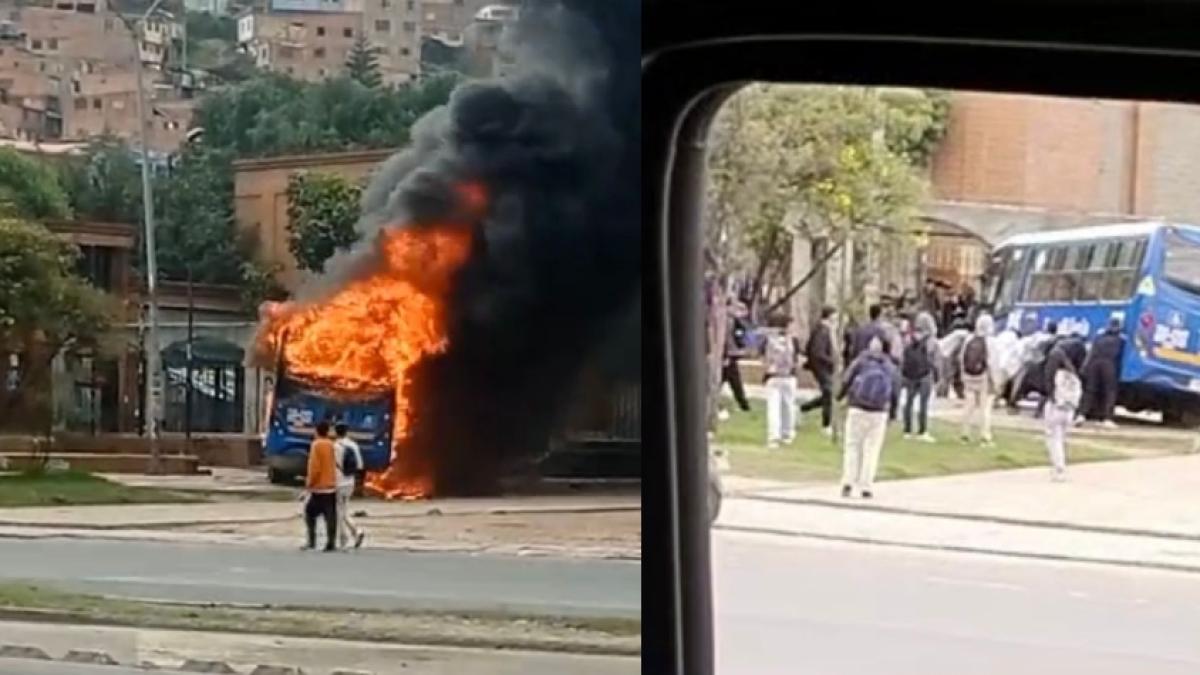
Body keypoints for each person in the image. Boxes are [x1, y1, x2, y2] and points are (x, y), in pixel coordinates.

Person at [838, 336, 896, 499]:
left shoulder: (861, 361)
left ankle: (847, 481)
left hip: (857, 407)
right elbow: (895, 390)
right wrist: (893, 412)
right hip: (879, 411)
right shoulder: (889, 366)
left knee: (852, 446)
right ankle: (866, 486)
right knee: (872, 449)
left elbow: (847, 379)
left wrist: (840, 396)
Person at [1043, 340, 1086, 481]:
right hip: (1069, 410)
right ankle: (1061, 465)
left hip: (1056, 406)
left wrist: (1052, 398)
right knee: (1062, 438)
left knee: (1052, 438)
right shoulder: (1075, 376)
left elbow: (1049, 385)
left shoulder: (1058, 372)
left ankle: (1058, 468)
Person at [960, 313, 998, 446]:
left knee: (968, 406)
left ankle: (965, 433)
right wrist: (995, 381)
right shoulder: (990, 342)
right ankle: (985, 436)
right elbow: (992, 362)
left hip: (969, 376)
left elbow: (961, 358)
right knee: (985, 408)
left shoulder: (969, 339)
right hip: (984, 377)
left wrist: (963, 375)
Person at [761, 316, 799, 449]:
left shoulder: (768, 341)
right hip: (789, 376)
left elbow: (763, 357)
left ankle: (773, 437)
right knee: (788, 406)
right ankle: (787, 433)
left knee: (773, 407)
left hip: (773, 375)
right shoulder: (793, 341)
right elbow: (796, 358)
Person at [902, 312, 939, 442]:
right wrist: (937, 375)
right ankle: (922, 431)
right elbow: (934, 360)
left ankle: (907, 430)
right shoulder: (931, 341)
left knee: (909, 402)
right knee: (923, 403)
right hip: (925, 374)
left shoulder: (909, 338)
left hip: (910, 374)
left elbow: (904, 356)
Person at [1082, 318, 1125, 428]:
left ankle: (1081, 414)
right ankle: (1107, 418)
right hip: (1109, 365)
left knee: (1090, 390)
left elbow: (1091, 352)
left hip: (1094, 364)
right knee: (1110, 392)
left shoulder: (1099, 338)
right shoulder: (1119, 340)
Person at [800, 306, 837, 435]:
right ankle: (826, 424)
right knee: (829, 393)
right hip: (821, 366)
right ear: (830, 316)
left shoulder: (825, 330)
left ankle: (804, 408)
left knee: (829, 394)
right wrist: (831, 361)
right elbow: (817, 352)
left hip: (823, 366)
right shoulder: (822, 331)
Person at [303, 421, 339, 552]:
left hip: (319, 487)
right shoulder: (331, 445)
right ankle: (331, 542)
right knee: (330, 515)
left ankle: (311, 541)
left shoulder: (316, 445)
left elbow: (315, 467)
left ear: (316, 431)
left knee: (309, 513)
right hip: (331, 485)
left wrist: (309, 483)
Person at [333, 423, 366, 550]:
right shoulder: (353, 445)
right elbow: (360, 465)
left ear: (336, 432)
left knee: (339, 511)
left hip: (337, 481)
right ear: (346, 432)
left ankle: (347, 537)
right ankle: (354, 533)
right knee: (343, 509)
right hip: (350, 482)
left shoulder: (334, 446)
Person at [721, 313, 752, 413]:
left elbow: (741, 331)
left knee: (734, 381)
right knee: (733, 381)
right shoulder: (723, 319)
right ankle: (743, 404)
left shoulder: (733, 320)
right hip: (725, 354)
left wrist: (738, 338)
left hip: (730, 353)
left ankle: (743, 404)